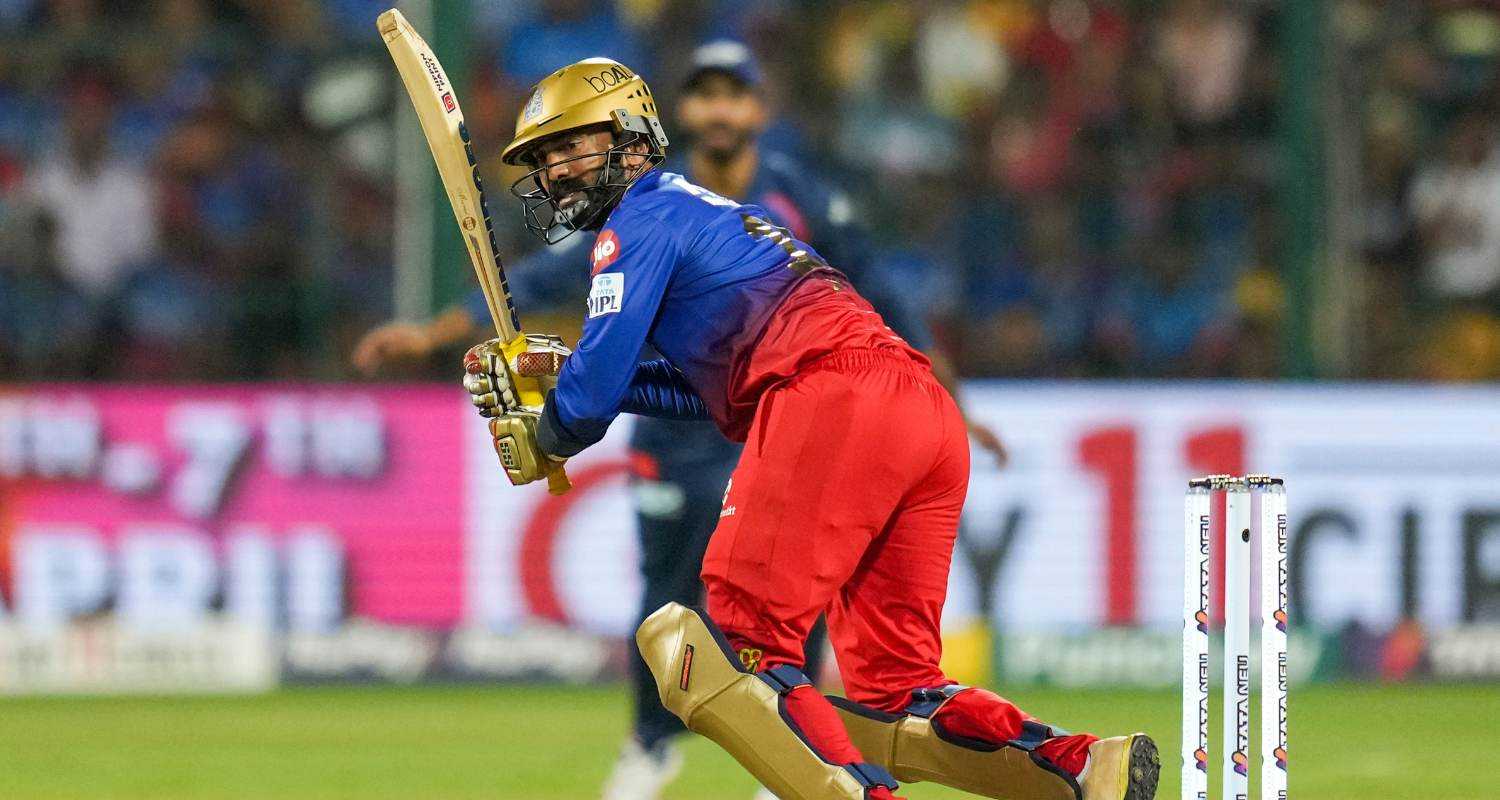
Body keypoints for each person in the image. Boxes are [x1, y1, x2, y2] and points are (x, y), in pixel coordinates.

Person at [461, 58, 1159, 800]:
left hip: (833, 400)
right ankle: (1082, 768)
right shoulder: (694, 213)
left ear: (632, 137)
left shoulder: (637, 223)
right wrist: (561, 374)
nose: (555, 171)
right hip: (914, 411)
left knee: (723, 647)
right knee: (892, 695)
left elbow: (589, 402)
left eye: (569, 147)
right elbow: (706, 393)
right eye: (543, 159)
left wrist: (547, 429)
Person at [357, 41, 1008, 800]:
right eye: (706, 93)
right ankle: (660, 746)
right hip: (718, 418)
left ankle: (804, 761)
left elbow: (883, 294)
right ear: (686, 111)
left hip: (802, 408)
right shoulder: (655, 211)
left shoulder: (750, 200)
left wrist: (554, 425)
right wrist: (457, 340)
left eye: (736, 94)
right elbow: (555, 289)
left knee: (761, 614)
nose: (720, 109)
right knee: (671, 599)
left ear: (754, 111)